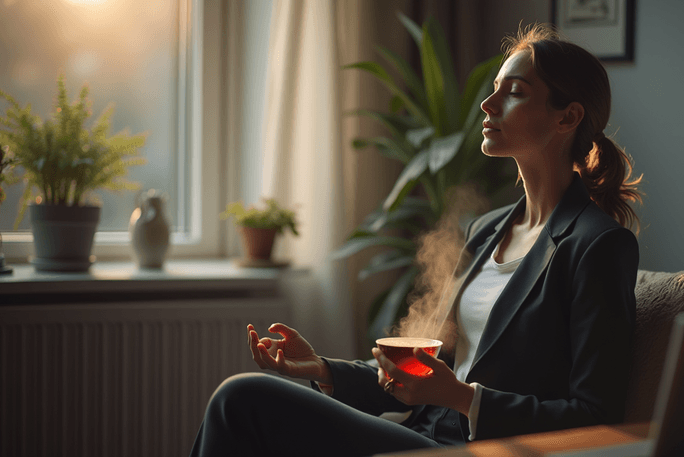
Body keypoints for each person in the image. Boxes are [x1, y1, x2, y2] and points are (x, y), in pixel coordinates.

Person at [190, 23, 642, 456]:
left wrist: (466, 399)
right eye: (496, 87)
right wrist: (321, 368)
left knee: (242, 398)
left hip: (478, 450)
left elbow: (595, 416)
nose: (487, 104)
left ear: (568, 117)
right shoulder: (485, 230)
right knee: (246, 412)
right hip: (419, 435)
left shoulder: (597, 245)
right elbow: (422, 373)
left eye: (515, 92)